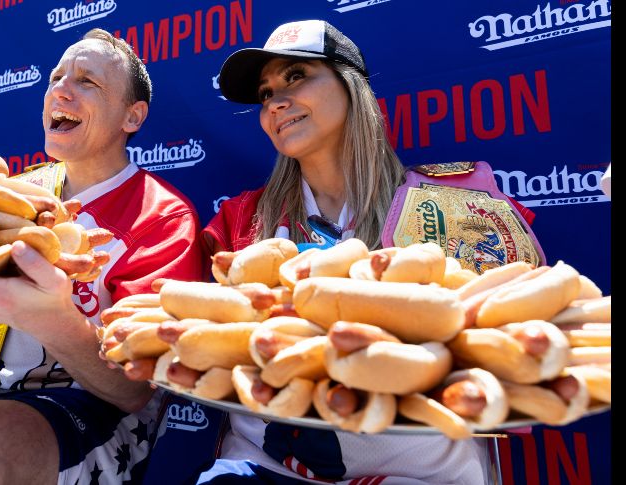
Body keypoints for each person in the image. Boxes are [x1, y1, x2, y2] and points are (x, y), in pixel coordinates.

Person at [196, 20, 515, 484]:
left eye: (296, 76)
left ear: (351, 86)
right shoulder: (240, 220)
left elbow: (508, 359)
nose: (276, 102)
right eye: (265, 94)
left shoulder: (452, 202)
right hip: (261, 469)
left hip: (425, 474)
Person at [0, 28, 204, 484]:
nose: (61, 90)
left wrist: (47, 316)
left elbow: (133, 392)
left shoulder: (163, 216)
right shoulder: (20, 191)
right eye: (56, 77)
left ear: (132, 116)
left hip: (93, 409)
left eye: (87, 82)